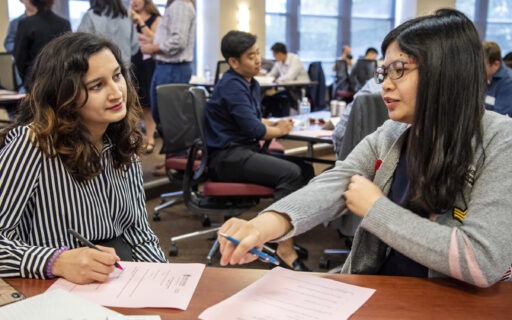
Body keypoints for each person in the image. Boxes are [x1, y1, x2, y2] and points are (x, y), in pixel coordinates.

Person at [217, 9, 512, 287]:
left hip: (447, 304)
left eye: (398, 70)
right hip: (382, 290)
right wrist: (264, 224)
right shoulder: (395, 133)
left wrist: (375, 209)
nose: (385, 85)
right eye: (384, 73)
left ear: (445, 71)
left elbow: (481, 259)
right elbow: (338, 181)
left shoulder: (500, 141)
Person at [0, 32, 167, 284]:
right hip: (52, 284)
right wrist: (55, 260)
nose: (116, 93)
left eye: (116, 76)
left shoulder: (122, 139)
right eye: (97, 86)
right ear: (64, 95)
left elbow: (138, 233)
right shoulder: (33, 144)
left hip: (117, 277)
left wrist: (164, 281)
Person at [205, 30, 314, 271]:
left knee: (305, 169)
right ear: (233, 62)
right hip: (226, 158)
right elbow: (256, 130)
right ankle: (284, 249)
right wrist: (279, 130)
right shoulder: (232, 86)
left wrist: (273, 124)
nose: (258, 60)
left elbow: (255, 120)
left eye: (257, 54)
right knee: (291, 174)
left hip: (242, 151)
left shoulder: (249, 83)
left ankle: (281, 234)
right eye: (250, 56)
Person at [142, 0, 195, 125]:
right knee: (163, 115)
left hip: (173, 68)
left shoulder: (180, 5)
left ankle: (175, 145)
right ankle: (170, 144)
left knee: (170, 118)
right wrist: (151, 40)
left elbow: (179, 41)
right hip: (167, 68)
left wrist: (153, 48)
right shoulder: (176, 5)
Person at [13, 0, 70, 89]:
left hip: (35, 81)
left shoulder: (26, 24)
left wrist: (28, 79)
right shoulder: (64, 24)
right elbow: (68, 54)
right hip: (60, 81)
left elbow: (19, 57)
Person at [130, 0, 161, 154]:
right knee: (134, 103)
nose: (134, 2)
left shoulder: (155, 18)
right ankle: (135, 140)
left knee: (148, 103)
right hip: (132, 62)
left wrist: (140, 21)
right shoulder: (126, 18)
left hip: (148, 65)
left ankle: (150, 139)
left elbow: (156, 39)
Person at [78, 0, 139, 65]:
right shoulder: (126, 17)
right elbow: (134, 47)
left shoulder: (90, 16)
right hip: (124, 68)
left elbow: (81, 46)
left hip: (100, 68)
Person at [263, 42, 310, 117]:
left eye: (274, 55)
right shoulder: (279, 62)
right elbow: (271, 74)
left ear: (280, 54)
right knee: (269, 98)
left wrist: (276, 80)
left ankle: (285, 117)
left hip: (298, 88)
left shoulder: (295, 59)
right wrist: (264, 78)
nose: (274, 57)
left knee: (280, 97)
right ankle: (277, 118)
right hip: (287, 88)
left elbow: (290, 76)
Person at [482, 41, 512, 117]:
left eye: (481, 66)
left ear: (496, 64)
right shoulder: (487, 76)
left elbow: (499, 120)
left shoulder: (509, 83)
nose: (477, 69)